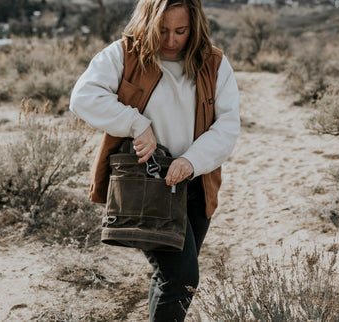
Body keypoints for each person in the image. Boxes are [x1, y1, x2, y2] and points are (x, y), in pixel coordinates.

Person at [69, 0, 240, 320]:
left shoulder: (214, 62)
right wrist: (136, 123)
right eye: (162, 31)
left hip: (195, 183)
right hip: (144, 184)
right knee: (181, 279)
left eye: (181, 31)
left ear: (195, 26)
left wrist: (191, 161)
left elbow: (227, 126)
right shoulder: (123, 54)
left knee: (170, 278)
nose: (171, 40)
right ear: (147, 22)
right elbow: (82, 98)